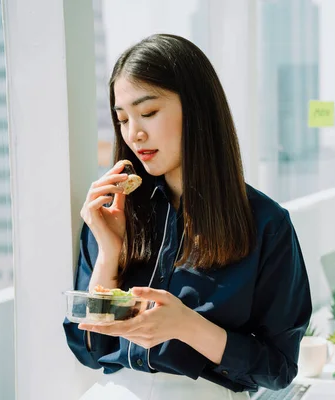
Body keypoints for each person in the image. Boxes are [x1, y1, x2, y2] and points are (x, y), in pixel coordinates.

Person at [63, 33, 312, 400]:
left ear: (196, 108)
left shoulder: (266, 225)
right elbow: (89, 349)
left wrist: (186, 326)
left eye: (148, 112)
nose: (135, 133)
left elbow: (278, 369)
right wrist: (109, 253)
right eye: (122, 119)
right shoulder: (114, 212)